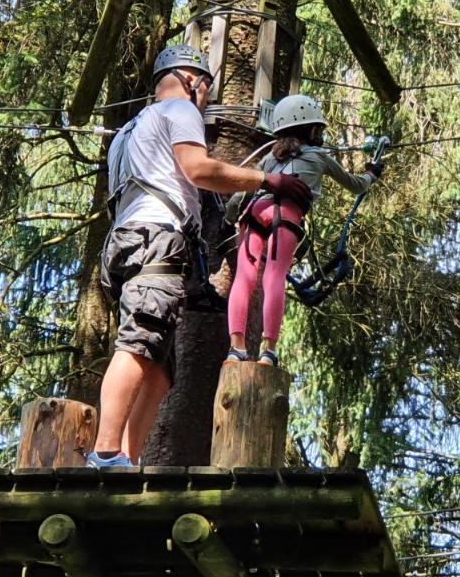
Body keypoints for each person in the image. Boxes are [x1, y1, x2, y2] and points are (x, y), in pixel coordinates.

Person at [86, 45, 312, 468]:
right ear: (193, 81)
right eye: (205, 92)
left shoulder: (127, 132)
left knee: (159, 364)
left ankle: (127, 461)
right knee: (138, 343)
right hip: (156, 236)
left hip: (126, 244)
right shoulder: (180, 111)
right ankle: (104, 454)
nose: (206, 102)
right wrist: (268, 179)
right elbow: (199, 169)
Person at [225, 94, 383, 367]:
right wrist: (372, 173)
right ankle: (268, 351)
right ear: (309, 129)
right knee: (274, 277)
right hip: (285, 214)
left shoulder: (269, 160)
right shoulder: (319, 156)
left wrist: (230, 215)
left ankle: (235, 349)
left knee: (244, 277)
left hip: (253, 214)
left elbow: (240, 196)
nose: (320, 134)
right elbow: (356, 184)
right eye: (318, 129)